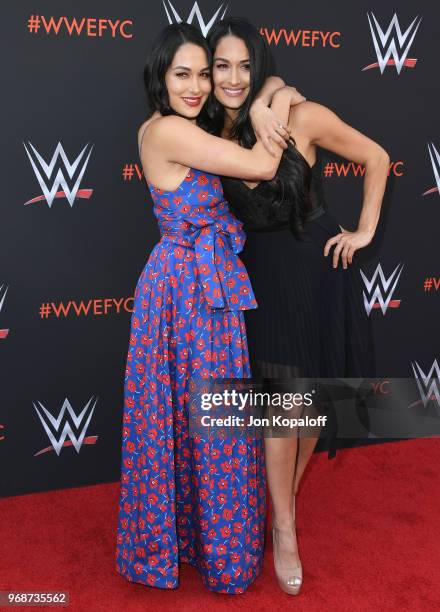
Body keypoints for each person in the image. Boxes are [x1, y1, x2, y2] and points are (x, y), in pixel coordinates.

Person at [115, 23, 302, 594]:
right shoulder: (169, 131)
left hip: (205, 289)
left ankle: (202, 542)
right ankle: (214, 552)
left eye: (204, 73)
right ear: (159, 77)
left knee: (205, 423)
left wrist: (270, 93)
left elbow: (268, 86)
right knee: (205, 424)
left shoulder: (188, 126)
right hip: (184, 295)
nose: (197, 86)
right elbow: (266, 167)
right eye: (183, 74)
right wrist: (272, 110)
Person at [206, 17, 390, 595]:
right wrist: (265, 96)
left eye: (245, 66)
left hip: (317, 270)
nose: (233, 77)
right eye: (221, 66)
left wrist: (363, 231)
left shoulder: (301, 115)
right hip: (260, 281)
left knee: (308, 407)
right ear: (209, 75)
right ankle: (284, 528)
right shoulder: (212, 131)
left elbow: (377, 157)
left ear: (257, 65)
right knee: (280, 407)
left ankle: (279, 503)